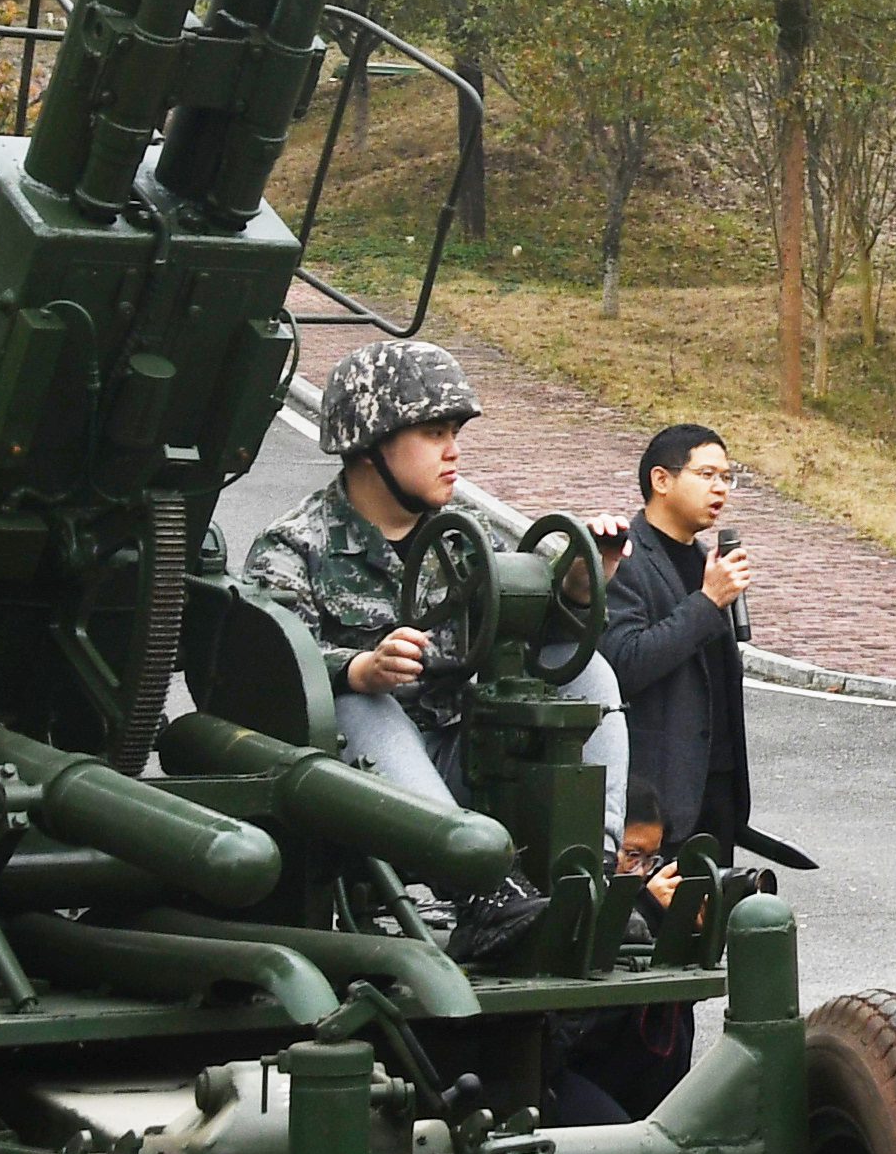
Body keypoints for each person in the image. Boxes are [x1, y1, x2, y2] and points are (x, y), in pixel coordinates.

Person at [238, 341, 628, 941]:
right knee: (359, 703)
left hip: (456, 753)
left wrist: (577, 588)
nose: (453, 453)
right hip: (354, 782)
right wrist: (359, 668)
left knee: (587, 673)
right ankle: (485, 892)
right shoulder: (294, 547)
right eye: (433, 434)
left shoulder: (461, 545)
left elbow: (523, 642)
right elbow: (275, 666)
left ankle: (585, 878)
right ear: (369, 447)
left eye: (454, 432)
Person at [598, 423, 778, 878]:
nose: (720, 489)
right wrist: (706, 603)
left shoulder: (704, 561)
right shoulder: (624, 560)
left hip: (715, 793)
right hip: (658, 803)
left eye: (727, 477)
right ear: (662, 480)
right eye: (706, 474)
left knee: (708, 933)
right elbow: (624, 663)